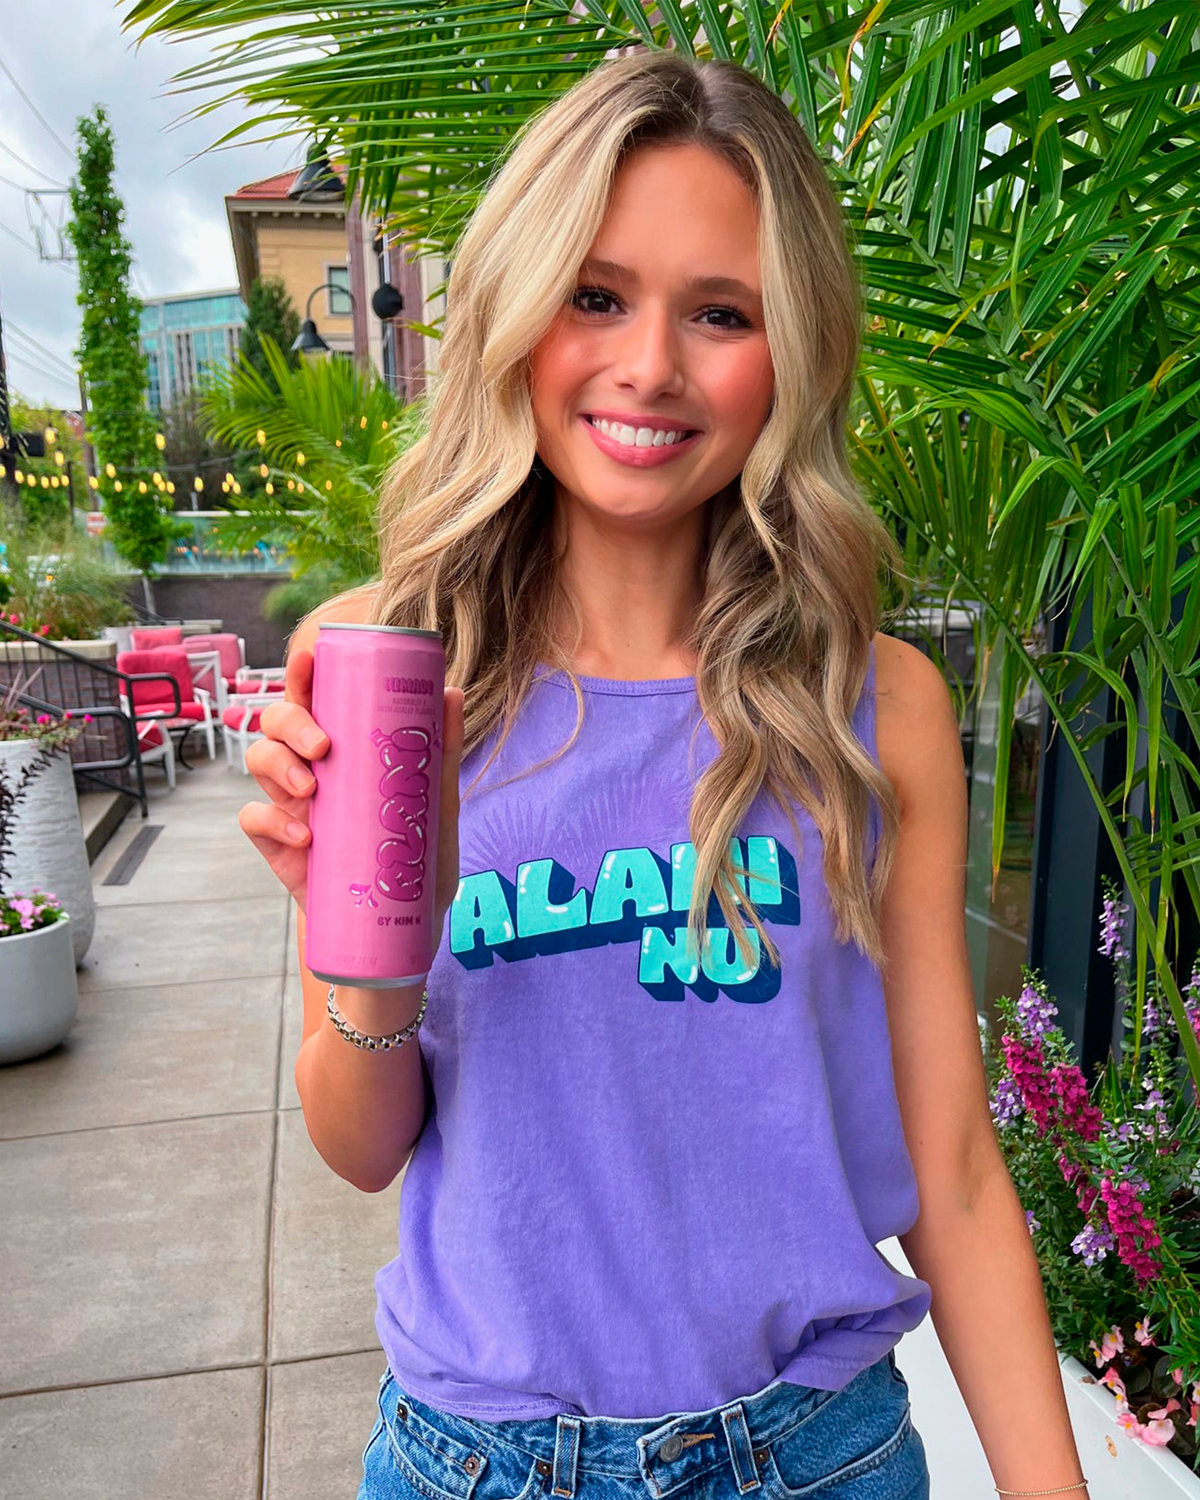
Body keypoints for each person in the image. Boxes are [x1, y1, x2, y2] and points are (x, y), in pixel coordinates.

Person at [240, 50, 1091, 1500]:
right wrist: (378, 955)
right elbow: (362, 1147)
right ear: (518, 312)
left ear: (792, 352)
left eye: (720, 313)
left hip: (814, 1459)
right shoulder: (388, 668)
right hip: (475, 1464)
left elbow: (950, 1175)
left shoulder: (876, 708)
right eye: (596, 295)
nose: (649, 366)